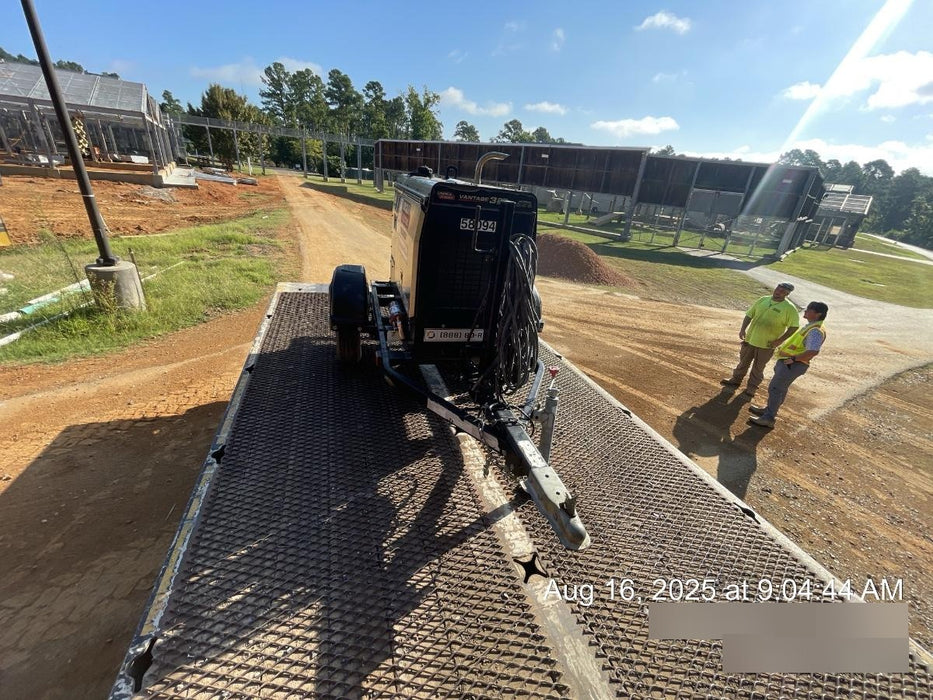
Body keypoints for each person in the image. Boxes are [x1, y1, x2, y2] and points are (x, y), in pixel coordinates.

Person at [748, 301, 828, 428]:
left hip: (792, 365)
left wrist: (794, 359)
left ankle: (768, 418)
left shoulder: (815, 331)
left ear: (818, 314)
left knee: (775, 388)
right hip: (789, 364)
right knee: (780, 389)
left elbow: (813, 351)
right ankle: (769, 411)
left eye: (809, 310)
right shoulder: (811, 326)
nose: (806, 311)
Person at [720, 282, 799, 397]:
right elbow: (749, 315)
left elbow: (794, 326)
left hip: (767, 344)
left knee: (758, 367)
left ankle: (751, 388)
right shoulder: (763, 300)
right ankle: (735, 380)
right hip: (750, 339)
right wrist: (743, 329)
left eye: (783, 291)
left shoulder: (789, 308)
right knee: (743, 362)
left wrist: (780, 340)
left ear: (787, 294)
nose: (778, 292)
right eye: (778, 288)